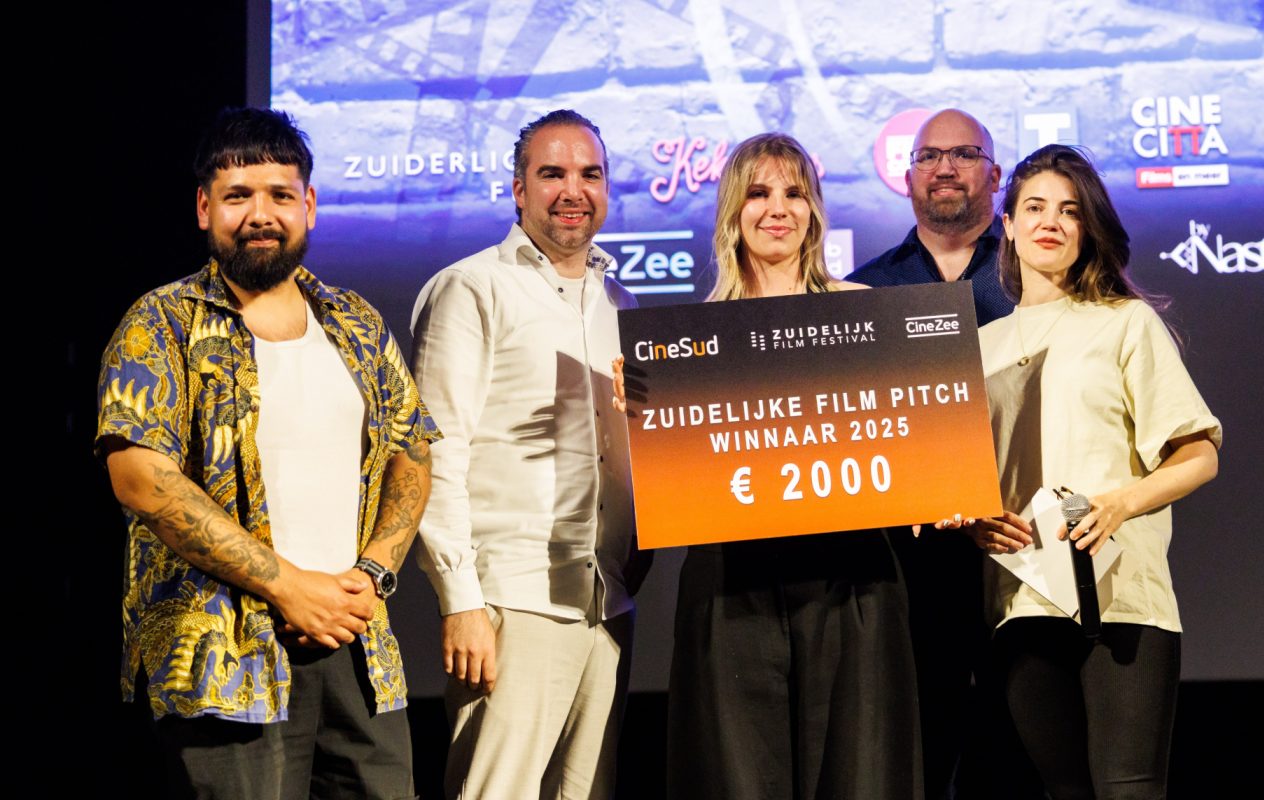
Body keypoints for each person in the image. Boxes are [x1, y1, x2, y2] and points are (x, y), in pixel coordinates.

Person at [97, 107, 440, 799]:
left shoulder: (355, 322)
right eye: (238, 196)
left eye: (280, 195)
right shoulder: (160, 323)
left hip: (356, 646)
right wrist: (289, 586)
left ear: (307, 206)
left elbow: (412, 450)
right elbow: (140, 478)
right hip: (224, 661)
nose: (261, 215)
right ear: (205, 208)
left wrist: (372, 574)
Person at [656, 132, 923, 800]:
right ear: (732, 210)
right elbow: (675, 479)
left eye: (794, 193)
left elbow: (916, 450)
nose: (777, 209)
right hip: (731, 585)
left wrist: (933, 489)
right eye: (758, 193)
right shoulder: (687, 342)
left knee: (859, 777)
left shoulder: (866, 314)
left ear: (814, 211)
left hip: (851, 578)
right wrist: (640, 409)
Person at [410, 109, 649, 800]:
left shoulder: (621, 302)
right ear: (519, 190)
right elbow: (436, 453)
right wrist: (461, 603)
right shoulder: (471, 287)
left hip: (606, 606)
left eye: (589, 174)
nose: (573, 190)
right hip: (511, 603)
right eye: (552, 174)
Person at [970, 144, 1221, 799]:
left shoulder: (1124, 323)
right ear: (1008, 226)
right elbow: (969, 481)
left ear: (1088, 229)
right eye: (1034, 207)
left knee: (1127, 789)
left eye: (1070, 210)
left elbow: (1199, 454)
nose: (1050, 221)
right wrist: (974, 525)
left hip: (1121, 596)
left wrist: (1120, 503)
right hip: (1021, 598)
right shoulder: (978, 349)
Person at [848, 108, 1021, 798]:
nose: (945, 168)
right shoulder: (862, 290)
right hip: (907, 565)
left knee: (1020, 754)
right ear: (907, 174)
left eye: (964, 154)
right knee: (917, 754)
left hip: (1021, 547)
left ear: (995, 174)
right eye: (929, 156)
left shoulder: (1036, 275)